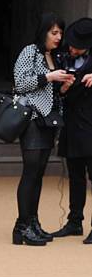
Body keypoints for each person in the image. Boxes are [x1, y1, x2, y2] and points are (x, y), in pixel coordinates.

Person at [12, 12, 72, 246]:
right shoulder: (30, 51)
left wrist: (63, 86)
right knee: (30, 173)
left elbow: (49, 92)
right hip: (33, 120)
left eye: (60, 33)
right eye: (53, 32)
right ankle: (21, 227)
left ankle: (32, 222)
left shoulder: (52, 56)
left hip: (48, 120)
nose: (58, 37)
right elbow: (20, 83)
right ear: (43, 32)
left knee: (38, 175)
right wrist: (49, 76)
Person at [52, 17, 92, 244]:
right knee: (75, 177)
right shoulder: (62, 57)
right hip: (72, 126)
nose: (71, 48)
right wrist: (64, 87)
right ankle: (74, 221)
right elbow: (57, 93)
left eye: (77, 45)